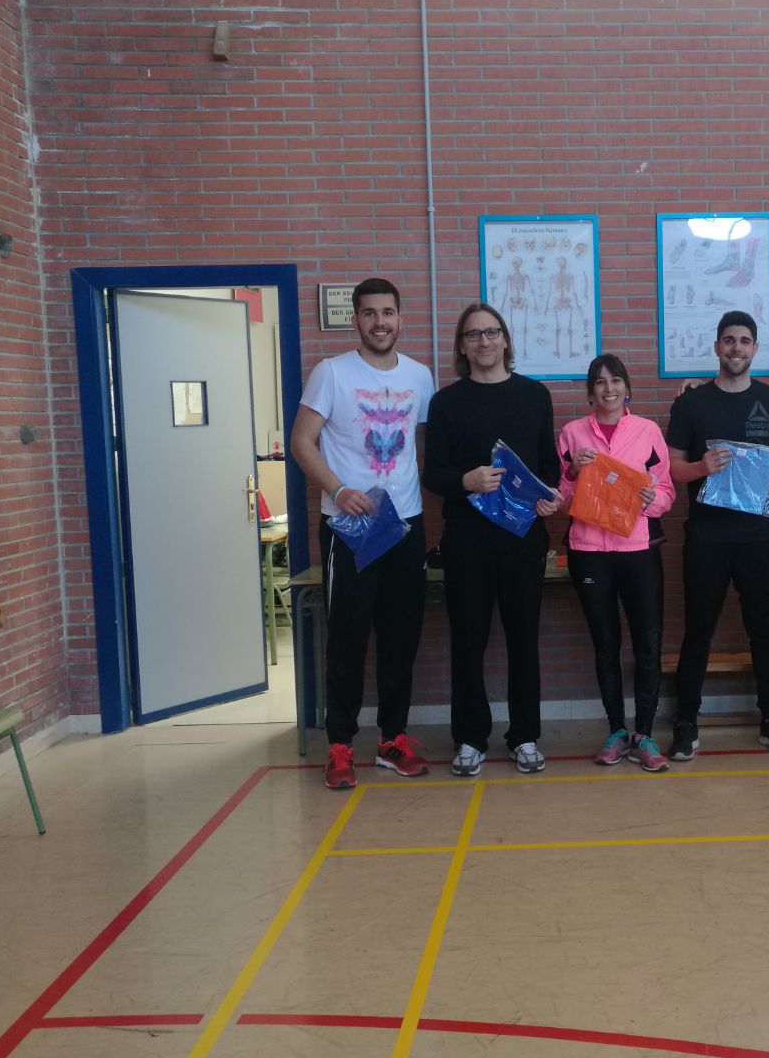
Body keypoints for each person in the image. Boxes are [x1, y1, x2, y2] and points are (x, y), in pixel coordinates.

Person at [290, 277, 433, 790]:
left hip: (405, 525)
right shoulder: (331, 373)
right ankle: (341, 746)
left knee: (401, 638)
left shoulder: (420, 376)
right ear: (356, 319)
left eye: (387, 313)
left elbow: (420, 447)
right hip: (350, 527)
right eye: (369, 313)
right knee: (348, 639)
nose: (379, 322)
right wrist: (338, 488)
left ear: (400, 318)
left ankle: (393, 740)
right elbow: (301, 441)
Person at [423, 303, 560, 776]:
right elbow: (433, 474)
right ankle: (469, 738)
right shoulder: (445, 402)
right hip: (467, 540)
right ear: (462, 346)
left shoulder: (535, 395)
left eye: (491, 332)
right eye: (473, 334)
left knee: (524, 638)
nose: (483, 341)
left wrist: (547, 497)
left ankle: (525, 736)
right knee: (468, 640)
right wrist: (465, 481)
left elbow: (549, 467)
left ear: (505, 339)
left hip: (523, 538)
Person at [666, 311, 769, 760]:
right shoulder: (691, 403)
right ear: (717, 347)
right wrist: (701, 467)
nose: (736, 348)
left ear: (755, 348)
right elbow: (672, 469)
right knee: (698, 630)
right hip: (707, 537)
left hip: (758, 537)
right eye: (728, 340)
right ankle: (686, 721)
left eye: (744, 341)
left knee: (763, 628)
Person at [557, 355, 677, 771]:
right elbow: (561, 498)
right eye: (600, 382)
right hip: (589, 551)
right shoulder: (572, 433)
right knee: (605, 644)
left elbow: (666, 492)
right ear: (590, 391)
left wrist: (651, 500)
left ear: (627, 388)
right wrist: (573, 472)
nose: (608, 388)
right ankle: (615, 731)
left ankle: (644, 734)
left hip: (638, 551)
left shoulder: (647, 431)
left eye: (616, 381)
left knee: (648, 643)